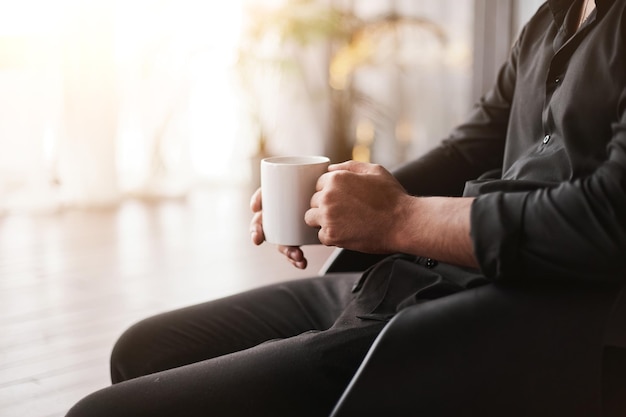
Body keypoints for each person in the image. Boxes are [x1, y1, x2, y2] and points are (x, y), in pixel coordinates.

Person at [66, 0, 626, 416]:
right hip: (418, 272)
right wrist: (330, 198)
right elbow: (471, 147)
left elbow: (608, 219)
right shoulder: (551, 17)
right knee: (143, 350)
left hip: (516, 309)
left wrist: (397, 219)